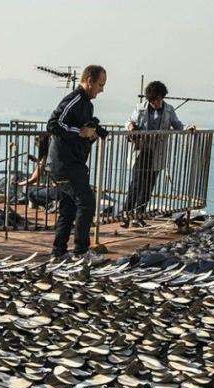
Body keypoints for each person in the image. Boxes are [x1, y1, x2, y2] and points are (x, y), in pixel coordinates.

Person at [45, 65, 108, 258]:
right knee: (87, 203)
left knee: (69, 208)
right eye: (100, 84)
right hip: (65, 164)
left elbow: (81, 129)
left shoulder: (87, 104)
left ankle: (58, 252)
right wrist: (80, 132)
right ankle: (81, 252)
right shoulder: (74, 99)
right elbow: (53, 124)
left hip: (75, 162)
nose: (102, 89)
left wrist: (93, 132)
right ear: (89, 80)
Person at [122, 80, 191, 224]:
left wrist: (188, 128)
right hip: (141, 151)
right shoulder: (140, 108)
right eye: (154, 100)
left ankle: (139, 216)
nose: (157, 103)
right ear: (149, 99)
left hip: (157, 153)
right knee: (136, 183)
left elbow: (178, 125)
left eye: (159, 99)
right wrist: (130, 126)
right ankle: (126, 215)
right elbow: (129, 122)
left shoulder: (169, 110)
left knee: (148, 186)